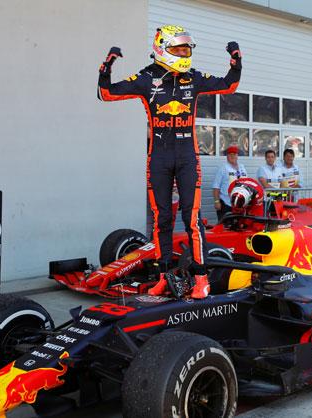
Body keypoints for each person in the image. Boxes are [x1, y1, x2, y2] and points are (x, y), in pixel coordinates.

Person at [97, 25, 242, 298]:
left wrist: (236, 61)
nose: (184, 53)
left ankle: (201, 279)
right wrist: (106, 67)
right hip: (159, 158)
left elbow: (229, 85)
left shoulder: (194, 77)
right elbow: (106, 93)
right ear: (161, 48)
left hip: (188, 157)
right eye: (178, 48)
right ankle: (163, 277)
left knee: (192, 219)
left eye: (187, 48)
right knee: (161, 221)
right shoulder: (146, 77)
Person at [213, 145, 247, 222]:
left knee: (239, 227)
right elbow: (216, 186)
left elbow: (246, 182)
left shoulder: (242, 167)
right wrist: (216, 201)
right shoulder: (223, 168)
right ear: (227, 156)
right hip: (226, 203)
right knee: (225, 227)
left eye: (234, 154)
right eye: (230, 154)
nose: (233, 156)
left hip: (240, 204)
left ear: (237, 156)